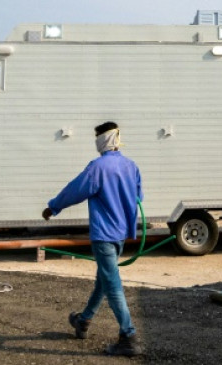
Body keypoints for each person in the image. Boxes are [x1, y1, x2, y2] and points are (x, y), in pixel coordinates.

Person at [42, 121, 144, 357]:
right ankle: (84, 320)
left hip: (104, 234)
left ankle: (129, 336)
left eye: (97, 137)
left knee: (112, 285)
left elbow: (75, 190)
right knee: (104, 279)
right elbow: (138, 196)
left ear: (103, 140)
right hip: (121, 233)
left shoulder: (98, 167)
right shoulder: (131, 166)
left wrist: (53, 207)